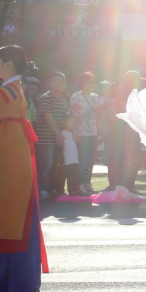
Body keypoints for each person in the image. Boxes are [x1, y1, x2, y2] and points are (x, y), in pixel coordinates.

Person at [0, 45, 48, 292]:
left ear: (9, 65)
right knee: (8, 221)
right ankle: (12, 281)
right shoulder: (14, 91)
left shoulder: (4, 94)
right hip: (11, 165)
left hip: (5, 168)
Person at [35, 72, 69, 200]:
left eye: (60, 80)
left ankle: (53, 189)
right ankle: (43, 190)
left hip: (58, 138)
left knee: (56, 165)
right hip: (45, 138)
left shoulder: (63, 100)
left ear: (64, 84)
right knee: (46, 165)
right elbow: (48, 116)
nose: (57, 82)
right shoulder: (45, 97)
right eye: (54, 80)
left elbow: (65, 118)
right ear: (49, 83)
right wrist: (57, 133)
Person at [70, 72, 101, 194]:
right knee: (82, 159)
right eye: (88, 82)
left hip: (93, 131)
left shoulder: (96, 96)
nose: (91, 84)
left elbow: (98, 115)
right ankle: (80, 184)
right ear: (82, 83)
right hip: (81, 131)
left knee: (91, 159)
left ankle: (88, 182)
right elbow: (75, 116)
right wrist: (91, 110)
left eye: (93, 82)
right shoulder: (76, 97)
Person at [60, 114, 85, 196]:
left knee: (74, 174)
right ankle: (70, 190)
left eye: (74, 122)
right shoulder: (62, 133)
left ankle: (75, 189)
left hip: (74, 159)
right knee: (69, 175)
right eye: (71, 121)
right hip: (67, 160)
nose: (73, 123)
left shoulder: (73, 134)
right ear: (64, 123)